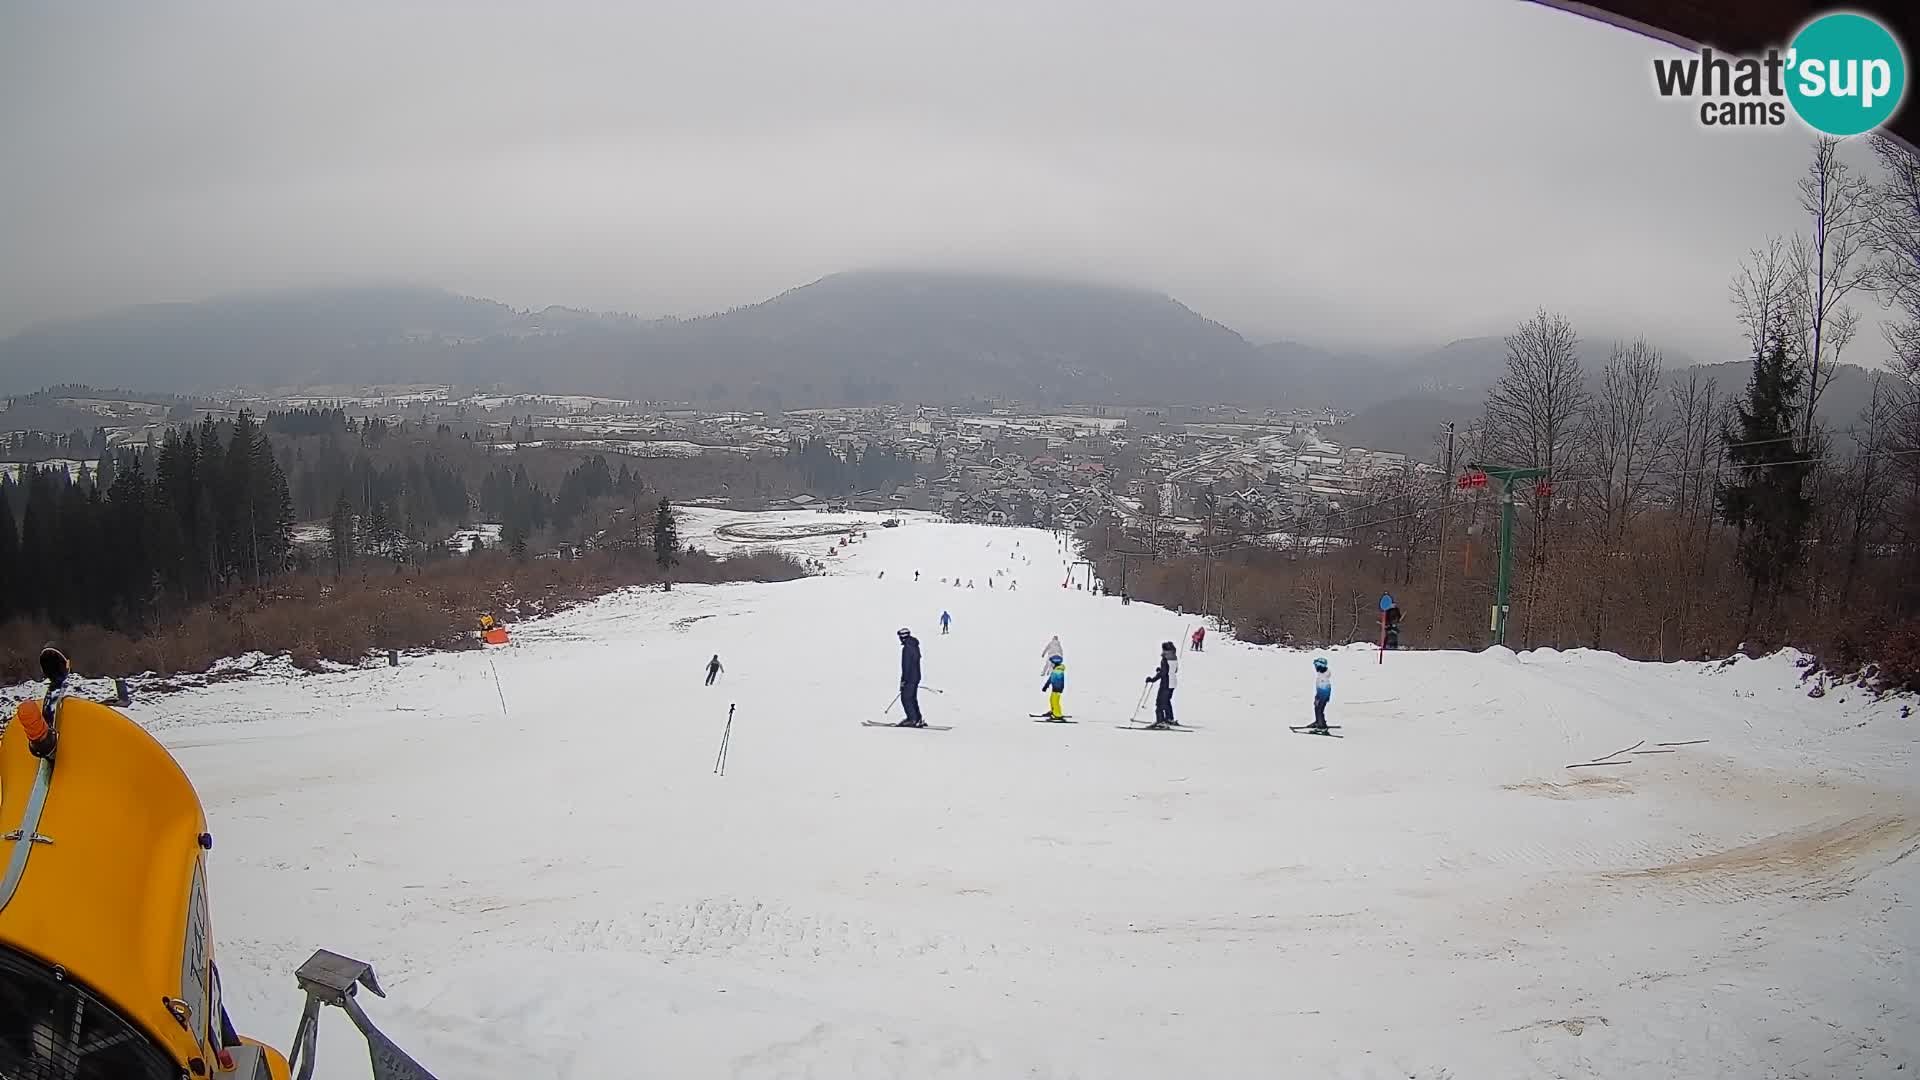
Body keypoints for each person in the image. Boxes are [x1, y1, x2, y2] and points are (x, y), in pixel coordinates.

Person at [1144, 641, 1179, 728]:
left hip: (1166, 684)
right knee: (1166, 701)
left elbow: (1163, 674)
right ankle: (1169, 718)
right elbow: (1174, 670)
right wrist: (1161, 669)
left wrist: (1152, 679)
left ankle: (1160, 721)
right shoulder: (1174, 657)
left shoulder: (1165, 659)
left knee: (1159, 702)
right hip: (1173, 683)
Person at [897, 627, 925, 727]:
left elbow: (906, 666)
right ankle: (917, 718)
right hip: (916, 676)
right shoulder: (914, 646)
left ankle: (912, 719)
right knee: (912, 698)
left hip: (910, 677)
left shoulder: (907, 648)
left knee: (906, 698)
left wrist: (904, 680)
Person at [1308, 657, 1332, 732]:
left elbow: (1324, 689)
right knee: (1316, 707)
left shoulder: (1323, 677)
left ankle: (1322, 726)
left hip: (1323, 695)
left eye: (1316, 665)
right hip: (1320, 693)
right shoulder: (1321, 673)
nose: (1315, 667)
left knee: (1319, 709)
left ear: (1320, 666)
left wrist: (1319, 697)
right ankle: (1318, 721)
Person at [1042, 655, 1067, 719]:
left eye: (1052, 663)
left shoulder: (1058, 670)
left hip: (1057, 688)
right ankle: (1053, 711)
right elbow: (1051, 678)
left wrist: (1048, 685)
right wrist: (1046, 686)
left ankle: (1058, 714)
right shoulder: (1056, 669)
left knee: (1055, 701)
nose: (1051, 664)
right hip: (1056, 687)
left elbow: (1053, 679)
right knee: (1052, 699)